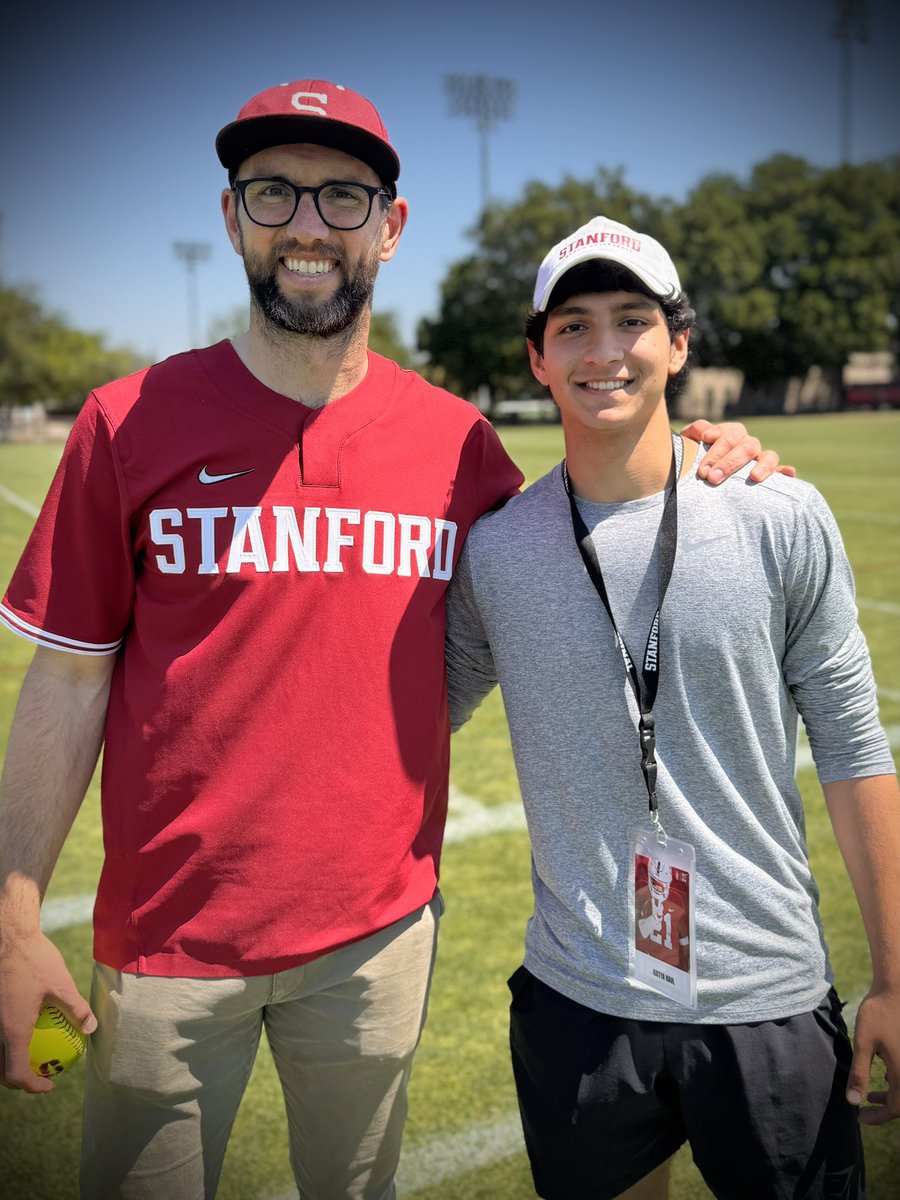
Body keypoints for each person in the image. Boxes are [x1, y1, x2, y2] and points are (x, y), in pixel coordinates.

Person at [0, 79, 783, 1200]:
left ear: (391, 225)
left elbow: (596, 520)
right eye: (274, 193)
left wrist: (714, 448)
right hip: (164, 947)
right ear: (232, 217)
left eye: (344, 197)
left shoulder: (459, 448)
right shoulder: (125, 423)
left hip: (375, 945)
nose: (309, 225)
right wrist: (12, 919)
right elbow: (68, 684)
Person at [445, 215, 900, 1200]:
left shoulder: (778, 513)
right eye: (573, 325)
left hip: (763, 993)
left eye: (632, 319)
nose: (605, 350)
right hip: (580, 1000)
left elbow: (855, 745)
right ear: (536, 357)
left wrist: (899, 980)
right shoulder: (498, 553)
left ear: (679, 342)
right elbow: (410, 718)